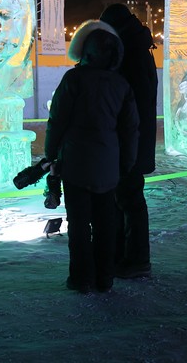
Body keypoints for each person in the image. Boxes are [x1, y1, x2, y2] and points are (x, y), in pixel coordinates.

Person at [44, 20, 139, 294]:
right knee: (105, 223)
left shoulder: (74, 80)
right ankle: (104, 278)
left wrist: (50, 153)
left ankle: (81, 278)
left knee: (79, 224)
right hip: (108, 165)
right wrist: (125, 163)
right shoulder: (121, 85)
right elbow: (131, 129)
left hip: (75, 163)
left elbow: (57, 120)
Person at [100, 3, 158, 279]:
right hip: (132, 141)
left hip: (129, 142)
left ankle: (135, 260)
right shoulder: (139, 50)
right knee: (124, 198)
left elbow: (130, 105)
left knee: (128, 198)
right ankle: (125, 257)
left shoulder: (130, 55)